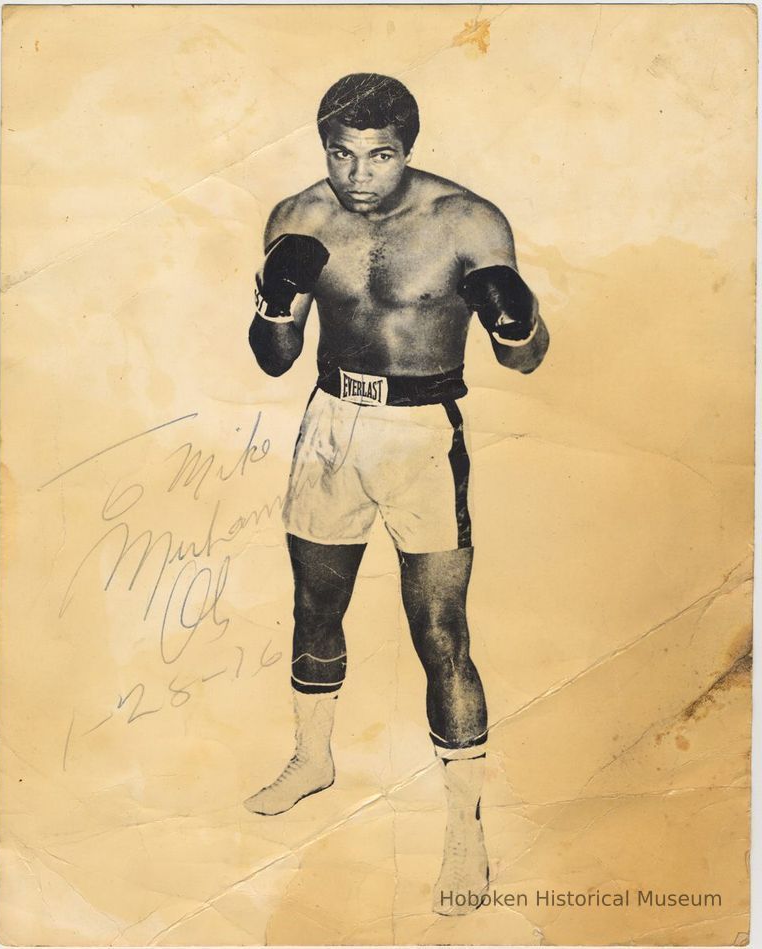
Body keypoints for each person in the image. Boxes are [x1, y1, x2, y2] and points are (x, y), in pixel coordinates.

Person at [244, 73, 549, 916]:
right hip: (333, 422)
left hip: (422, 434)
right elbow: (275, 357)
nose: (358, 175)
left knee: (440, 629)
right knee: (316, 605)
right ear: (324, 150)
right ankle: (314, 759)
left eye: (379, 157)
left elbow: (524, 357)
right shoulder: (299, 218)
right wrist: (274, 299)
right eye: (342, 155)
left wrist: (517, 318)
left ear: (407, 152)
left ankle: (464, 825)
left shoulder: (467, 221)